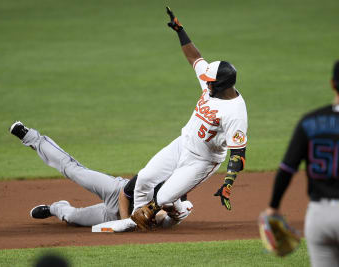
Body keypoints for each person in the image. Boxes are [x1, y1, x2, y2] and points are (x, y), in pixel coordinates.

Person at [131, 7, 248, 228]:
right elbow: (194, 57)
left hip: (202, 161)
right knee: (145, 178)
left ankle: (181, 211)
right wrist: (180, 30)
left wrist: (228, 183)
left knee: (165, 198)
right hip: (182, 144)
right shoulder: (212, 83)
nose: (206, 83)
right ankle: (139, 217)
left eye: (210, 82)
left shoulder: (235, 113)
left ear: (222, 84)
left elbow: (238, 153)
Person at [9, 121, 192, 231]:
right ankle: (30, 137)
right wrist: (125, 221)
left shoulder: (179, 189)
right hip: (115, 193)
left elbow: (162, 218)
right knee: (74, 171)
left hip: (113, 218)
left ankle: (55, 209)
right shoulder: (155, 172)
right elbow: (125, 195)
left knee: (73, 218)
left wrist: (170, 217)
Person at [262, 61, 339, 267]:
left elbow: (286, 169)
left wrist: (273, 207)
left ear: (332, 83)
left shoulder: (310, 122)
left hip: (319, 217)